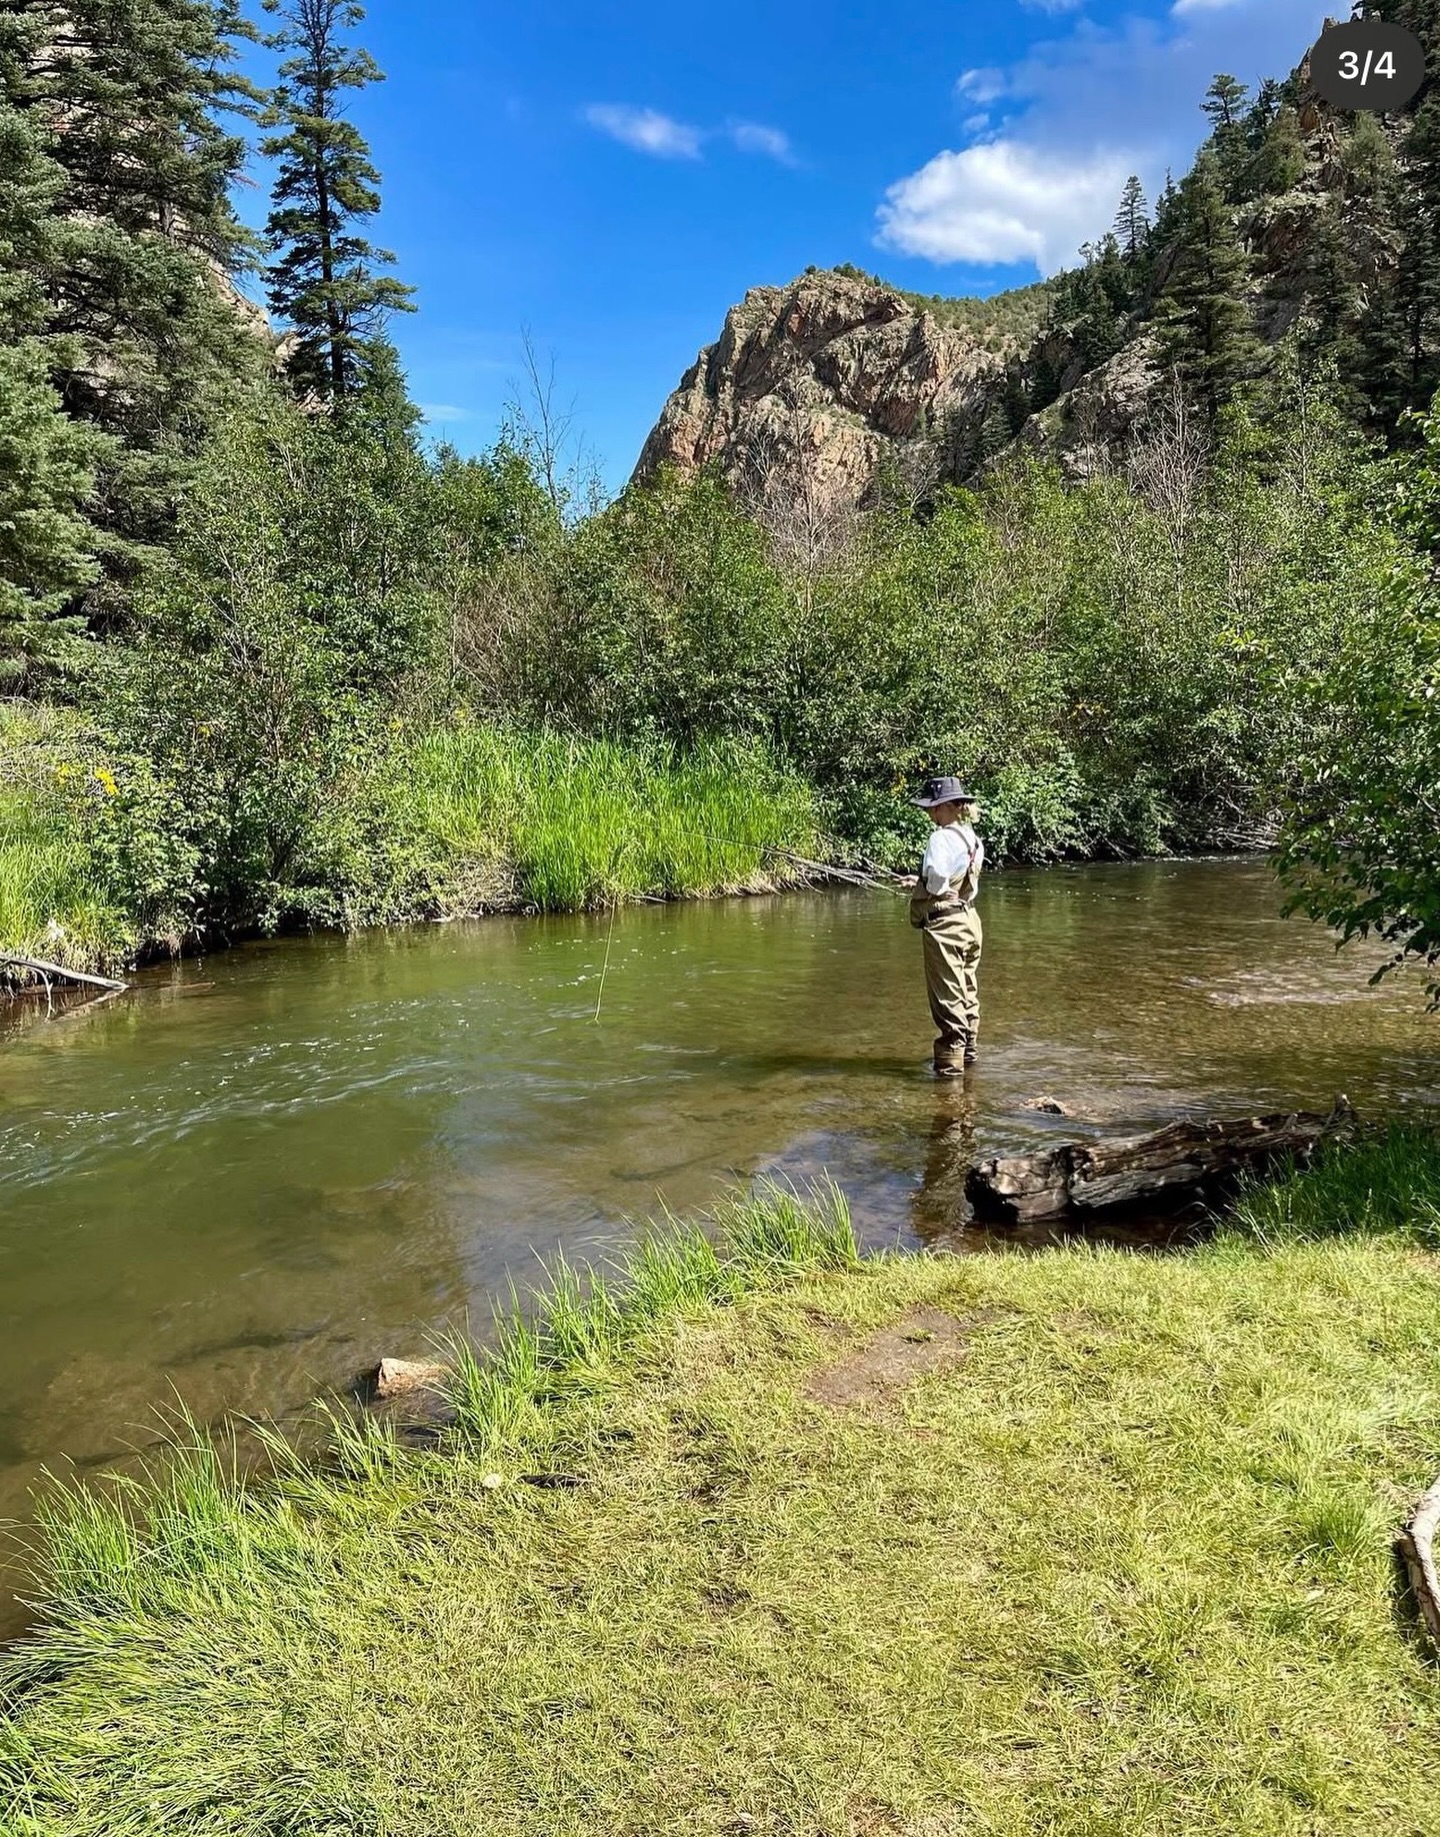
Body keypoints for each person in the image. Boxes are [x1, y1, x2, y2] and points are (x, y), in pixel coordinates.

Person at [905, 775, 985, 1079]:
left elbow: (938, 880)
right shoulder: (972, 838)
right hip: (969, 921)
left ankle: (950, 1076)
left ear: (945, 807)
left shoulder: (939, 838)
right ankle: (969, 1061)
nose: (929, 812)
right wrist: (920, 881)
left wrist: (924, 883)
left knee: (947, 999)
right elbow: (955, 878)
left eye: (932, 807)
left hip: (946, 928)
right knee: (967, 993)